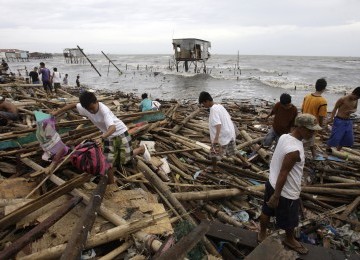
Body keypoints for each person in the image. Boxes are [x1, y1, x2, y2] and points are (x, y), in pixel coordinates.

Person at [258, 113, 321, 255]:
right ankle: (289, 239)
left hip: (271, 182)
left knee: (266, 210)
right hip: (285, 191)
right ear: (300, 127)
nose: (313, 133)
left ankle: (261, 233)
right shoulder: (295, 150)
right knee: (290, 221)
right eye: (310, 130)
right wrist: (276, 196)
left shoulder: (285, 137)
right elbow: (284, 173)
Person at [51, 91, 145, 170]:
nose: (91, 111)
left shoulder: (104, 111)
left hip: (120, 132)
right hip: (108, 135)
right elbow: (73, 105)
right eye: (88, 109)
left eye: (92, 108)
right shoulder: (85, 107)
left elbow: (113, 128)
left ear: (96, 101)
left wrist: (102, 137)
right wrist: (57, 112)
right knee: (108, 161)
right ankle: (110, 182)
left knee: (125, 159)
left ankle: (141, 149)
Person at [198, 91, 237, 157]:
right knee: (233, 152)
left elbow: (218, 124)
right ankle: (245, 163)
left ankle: (214, 167)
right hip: (229, 134)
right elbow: (229, 118)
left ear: (207, 101)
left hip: (222, 136)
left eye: (203, 103)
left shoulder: (213, 109)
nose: (204, 106)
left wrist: (216, 139)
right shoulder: (220, 106)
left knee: (214, 155)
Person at [327, 87, 360, 152]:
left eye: (358, 98)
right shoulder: (343, 99)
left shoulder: (356, 100)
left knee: (348, 137)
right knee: (336, 137)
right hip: (339, 120)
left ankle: (338, 150)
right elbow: (335, 109)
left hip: (348, 121)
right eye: (356, 97)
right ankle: (328, 148)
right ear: (353, 93)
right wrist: (331, 118)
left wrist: (352, 111)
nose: (356, 99)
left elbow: (355, 108)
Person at [301, 78, 327, 158]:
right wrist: (321, 127)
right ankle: (297, 154)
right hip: (312, 124)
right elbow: (321, 116)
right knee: (305, 141)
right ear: (324, 88)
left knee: (310, 140)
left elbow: (302, 109)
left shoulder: (307, 97)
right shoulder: (322, 101)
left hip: (303, 121)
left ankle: (313, 154)